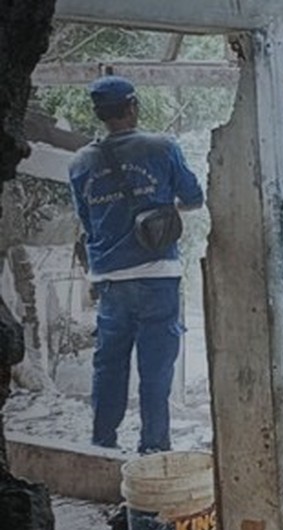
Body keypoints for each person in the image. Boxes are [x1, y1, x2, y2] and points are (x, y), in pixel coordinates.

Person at [68, 76, 204, 454]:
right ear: (132, 107)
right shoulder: (161, 147)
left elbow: (87, 220)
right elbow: (194, 198)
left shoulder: (80, 163)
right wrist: (162, 212)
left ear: (99, 114)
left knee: (109, 368)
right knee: (156, 372)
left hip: (110, 280)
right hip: (158, 275)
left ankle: (101, 446)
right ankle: (153, 451)